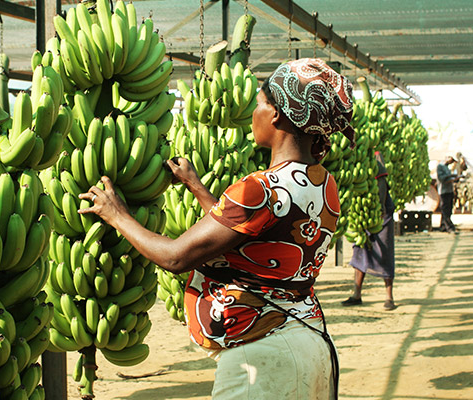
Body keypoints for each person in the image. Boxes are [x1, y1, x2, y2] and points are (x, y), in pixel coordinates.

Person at [78, 58, 356, 400]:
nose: (254, 112)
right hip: (308, 340)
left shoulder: (260, 189)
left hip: (263, 360)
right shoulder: (322, 183)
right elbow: (251, 236)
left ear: (277, 115)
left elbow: (176, 258)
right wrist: (197, 187)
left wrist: (116, 214)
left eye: (259, 103)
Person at [341, 151, 397, 310]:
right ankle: (356, 294)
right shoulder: (354, 160)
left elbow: (381, 186)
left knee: (384, 252)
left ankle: (389, 297)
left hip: (381, 213)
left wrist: (379, 209)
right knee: (359, 251)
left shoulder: (376, 160)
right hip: (361, 213)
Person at [436, 155, 459, 233]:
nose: (452, 162)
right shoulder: (440, 166)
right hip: (443, 191)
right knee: (445, 210)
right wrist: (451, 176)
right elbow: (442, 179)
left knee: (448, 209)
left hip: (449, 190)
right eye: (452, 160)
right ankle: (449, 227)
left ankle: (443, 226)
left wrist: (455, 179)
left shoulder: (447, 167)